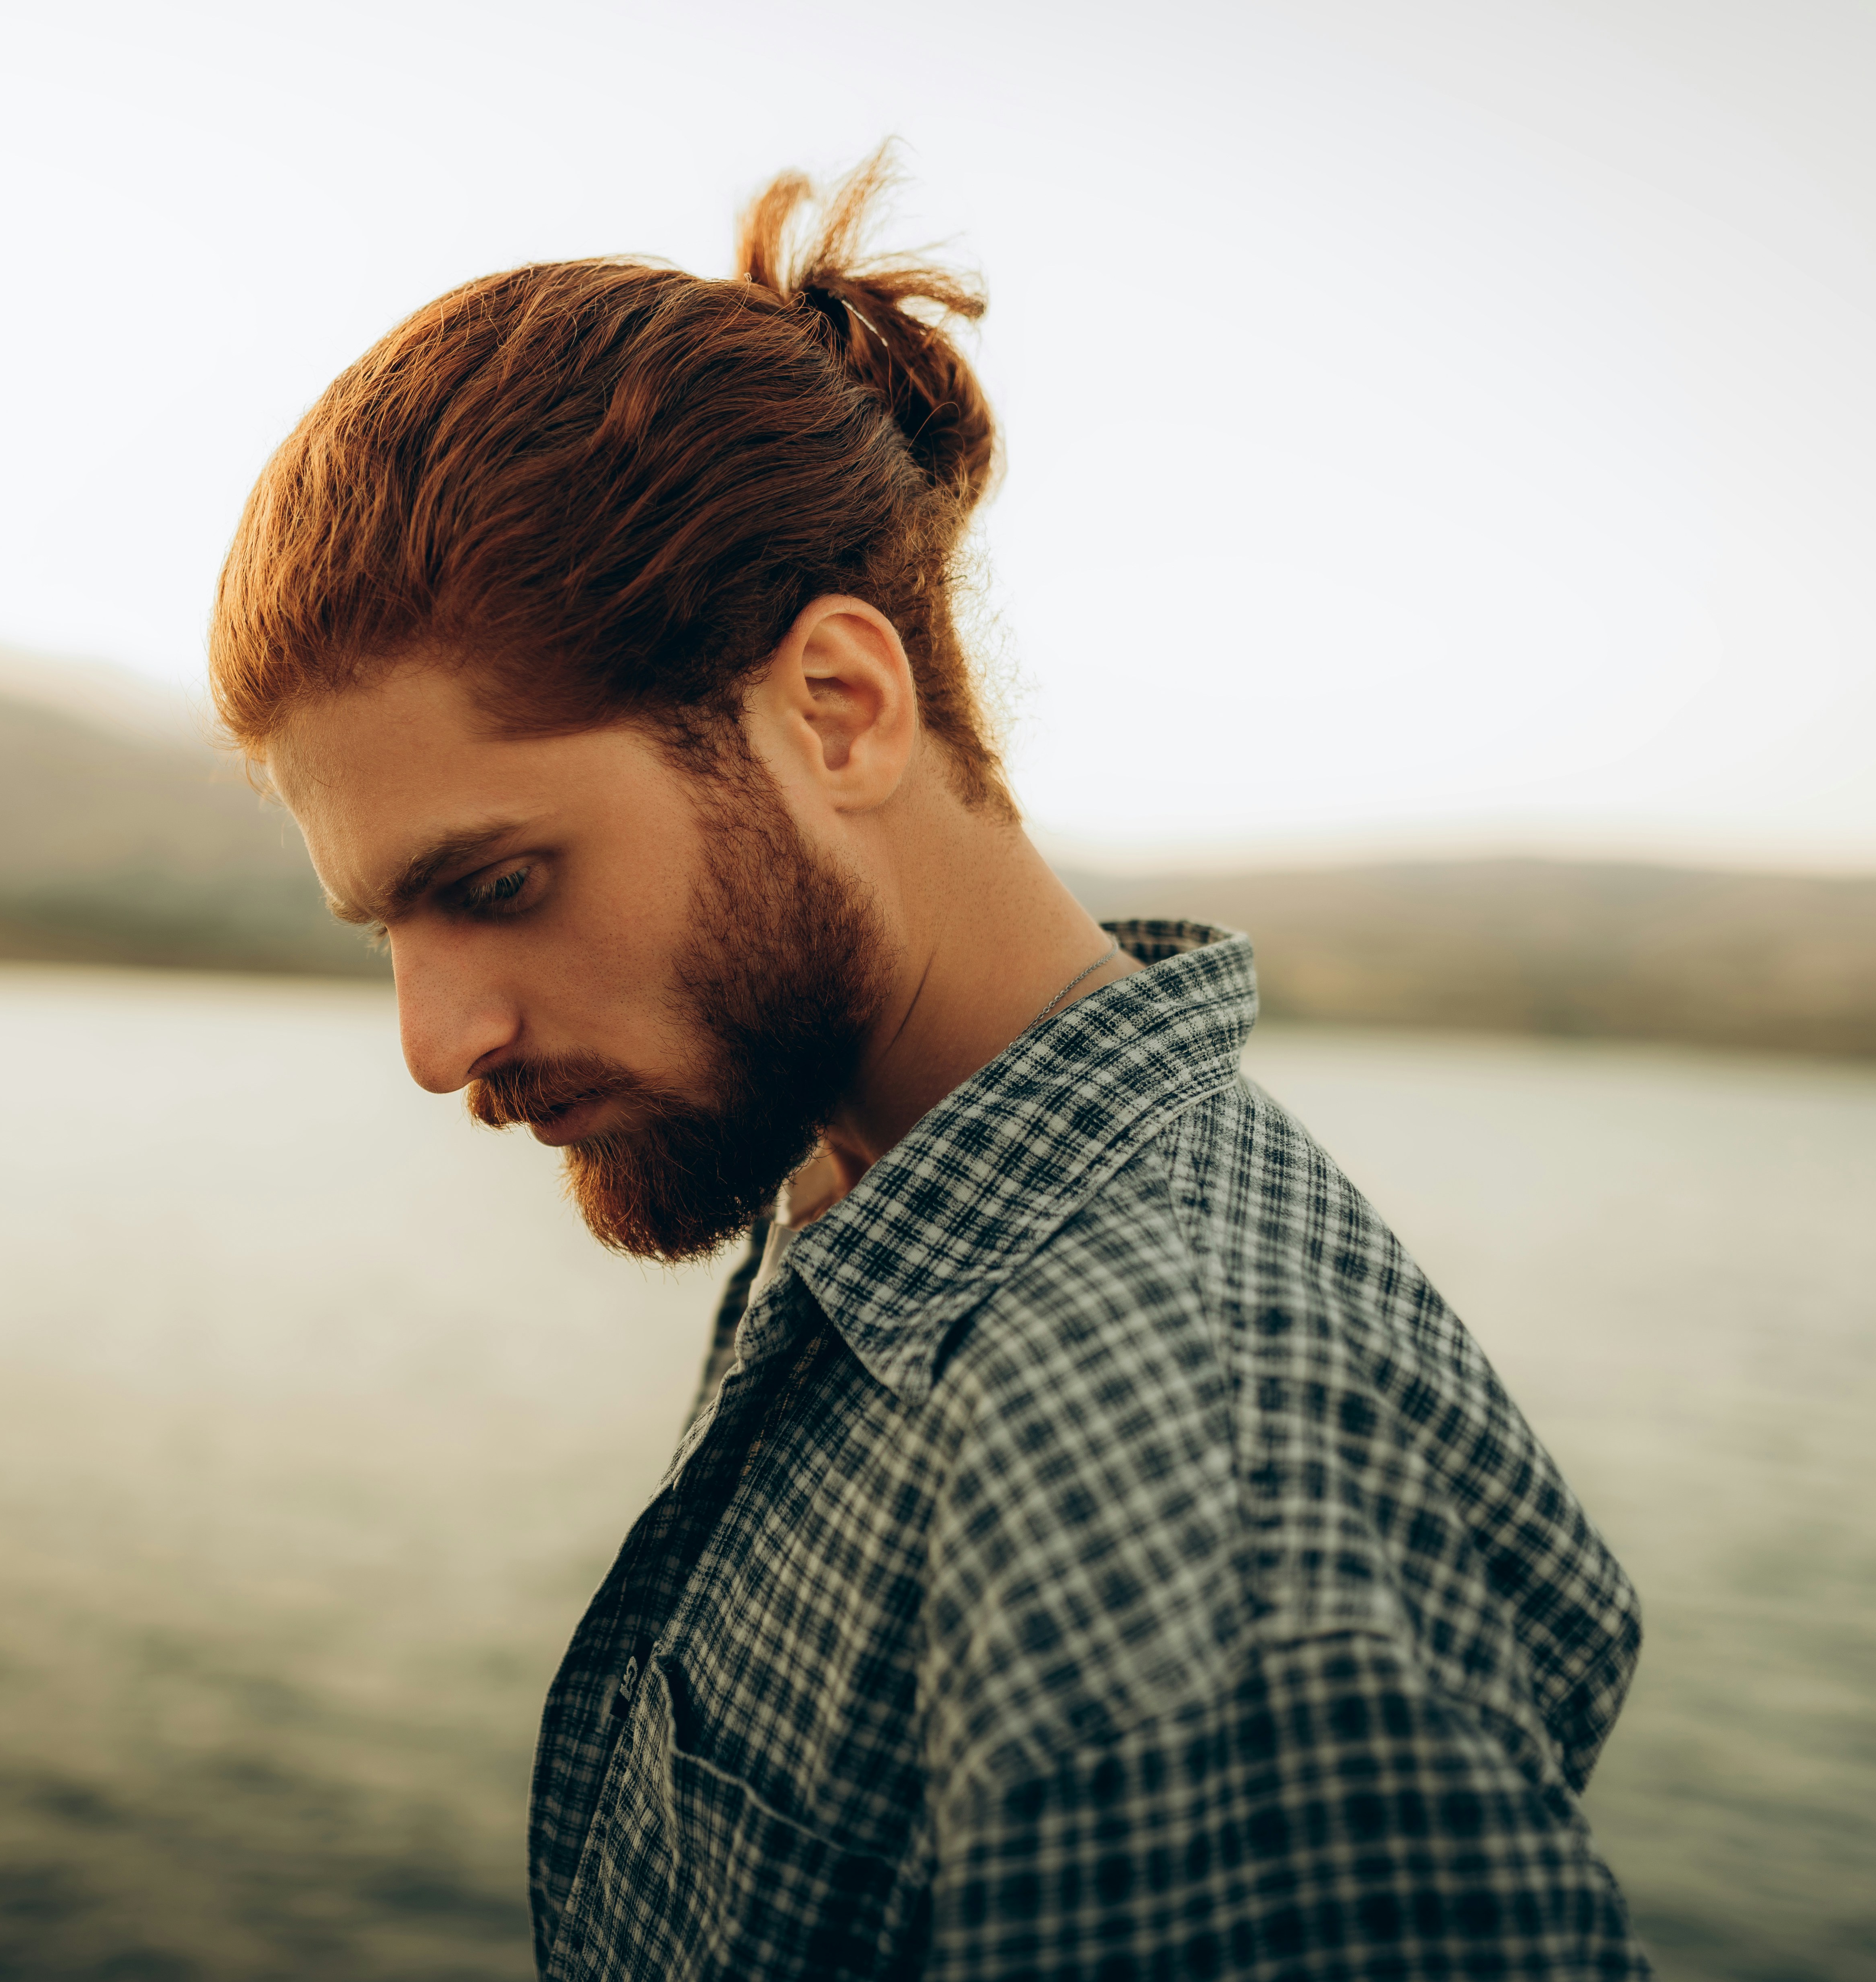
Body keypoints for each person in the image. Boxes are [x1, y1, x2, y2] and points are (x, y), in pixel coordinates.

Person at [208, 150, 1649, 1982]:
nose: (436, 1043)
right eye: (390, 934)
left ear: (837, 710)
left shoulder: (1175, 1485)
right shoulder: (859, 1181)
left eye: (496, 887)